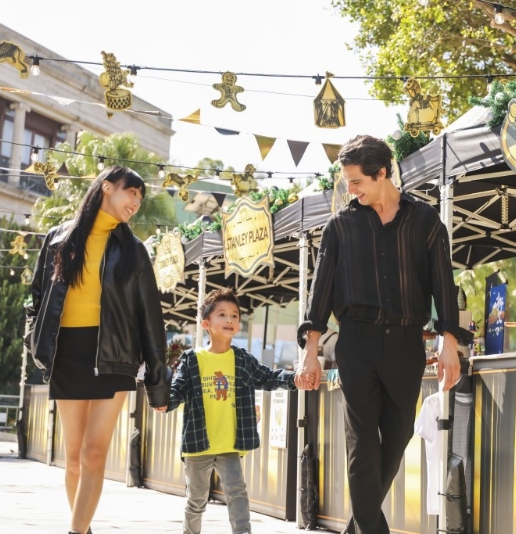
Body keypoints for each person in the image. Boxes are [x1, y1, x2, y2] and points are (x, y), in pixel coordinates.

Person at [295, 135, 472, 534]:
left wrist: (449, 345)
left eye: (356, 181)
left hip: (407, 344)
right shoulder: (340, 226)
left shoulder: (425, 221)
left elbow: (443, 285)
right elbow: (320, 292)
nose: (350, 190)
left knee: (396, 438)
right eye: (347, 182)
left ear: (382, 173)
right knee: (361, 444)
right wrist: (310, 352)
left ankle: (357, 528)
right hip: (355, 344)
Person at [25, 166, 170, 534]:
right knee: (73, 459)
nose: (136, 202)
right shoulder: (59, 239)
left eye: (141, 197)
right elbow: (36, 297)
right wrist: (34, 340)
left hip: (115, 354)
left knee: (93, 452)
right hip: (67, 352)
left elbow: (150, 317)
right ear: (106, 187)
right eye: (131, 192)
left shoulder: (134, 251)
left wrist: (158, 380)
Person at [156, 288, 305, 534]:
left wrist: (294, 379)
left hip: (230, 444)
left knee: (237, 492)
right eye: (222, 314)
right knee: (196, 500)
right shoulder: (192, 359)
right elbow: (178, 391)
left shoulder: (242, 358)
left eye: (235, 315)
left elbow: (267, 377)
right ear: (206, 323)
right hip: (197, 444)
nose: (230, 319)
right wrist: (165, 403)